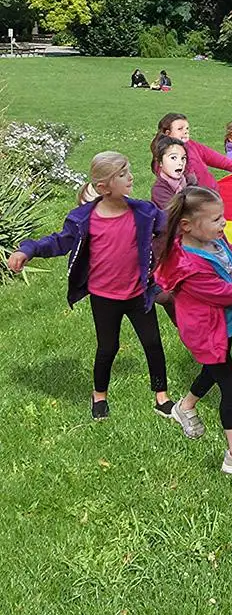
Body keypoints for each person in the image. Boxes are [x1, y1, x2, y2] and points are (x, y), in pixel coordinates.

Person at [7, 152, 177, 422]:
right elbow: (57, 242)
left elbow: (173, 224)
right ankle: (99, 396)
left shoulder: (143, 212)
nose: (130, 177)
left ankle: (162, 397)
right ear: (103, 187)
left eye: (128, 171)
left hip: (138, 294)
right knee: (107, 348)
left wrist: (197, 218)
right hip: (104, 298)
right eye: (122, 174)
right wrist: (27, 250)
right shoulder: (83, 219)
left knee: (153, 344)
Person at [155, 186, 232, 473]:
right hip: (206, 331)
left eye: (222, 217)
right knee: (231, 384)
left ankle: (185, 407)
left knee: (213, 369)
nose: (223, 224)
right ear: (187, 226)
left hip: (220, 326)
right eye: (215, 219)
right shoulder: (189, 265)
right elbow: (222, 293)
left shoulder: (213, 239)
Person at [152, 113, 232, 190]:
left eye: (187, 128)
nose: (186, 131)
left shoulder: (191, 145)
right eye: (180, 129)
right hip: (197, 202)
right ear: (167, 133)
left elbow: (214, 157)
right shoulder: (164, 157)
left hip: (212, 193)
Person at [151, 136, 197, 210]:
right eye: (173, 158)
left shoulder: (189, 180)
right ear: (160, 162)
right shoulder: (159, 190)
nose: (180, 163)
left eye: (183, 158)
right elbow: (174, 213)